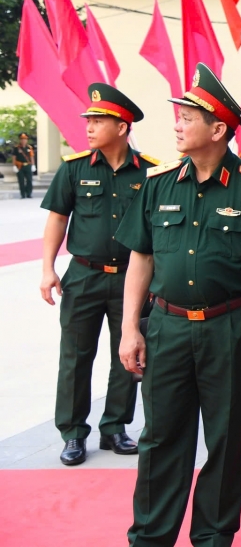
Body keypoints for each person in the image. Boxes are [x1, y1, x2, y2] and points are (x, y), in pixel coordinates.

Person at [116, 64, 241, 546]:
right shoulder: (157, 184)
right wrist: (129, 328)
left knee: (224, 439)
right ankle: (151, 536)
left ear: (218, 129)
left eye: (187, 117)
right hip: (168, 327)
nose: (176, 124)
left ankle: (214, 538)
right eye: (177, 115)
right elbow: (141, 257)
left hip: (230, 329)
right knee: (160, 439)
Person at [39, 84, 156, 466]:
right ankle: (73, 433)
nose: (89, 126)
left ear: (122, 127)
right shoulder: (74, 169)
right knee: (75, 356)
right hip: (84, 276)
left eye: (98, 120)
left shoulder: (152, 172)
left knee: (128, 354)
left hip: (132, 279)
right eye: (88, 120)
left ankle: (115, 428)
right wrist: (48, 269)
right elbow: (58, 219)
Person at [14, 132, 35, 198]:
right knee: (21, 181)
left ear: (27, 140)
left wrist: (33, 165)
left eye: (25, 139)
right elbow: (14, 157)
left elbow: (32, 157)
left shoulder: (29, 148)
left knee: (29, 180)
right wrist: (14, 165)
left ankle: (28, 193)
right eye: (22, 139)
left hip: (28, 165)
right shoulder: (16, 148)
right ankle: (22, 194)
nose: (23, 140)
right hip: (20, 166)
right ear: (20, 140)